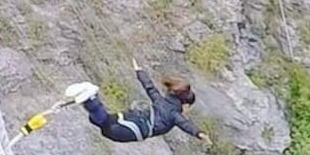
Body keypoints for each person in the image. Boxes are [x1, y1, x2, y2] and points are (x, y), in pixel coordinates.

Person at [65, 58, 211, 145]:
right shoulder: (175, 114)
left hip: (129, 119)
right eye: (189, 107)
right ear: (185, 105)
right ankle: (90, 99)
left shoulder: (160, 100)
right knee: (107, 128)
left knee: (102, 121)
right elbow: (186, 125)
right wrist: (200, 134)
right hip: (131, 129)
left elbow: (150, 87)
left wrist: (139, 71)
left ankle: (90, 99)